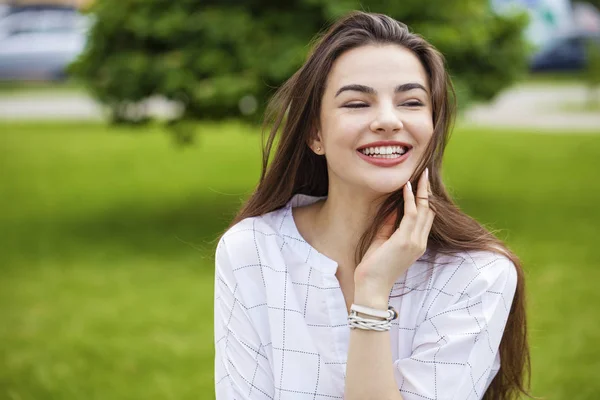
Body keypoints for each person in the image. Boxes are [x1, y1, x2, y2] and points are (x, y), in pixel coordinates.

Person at [213, 11, 530, 400]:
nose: (387, 120)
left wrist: (373, 292)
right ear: (315, 133)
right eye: (357, 103)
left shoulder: (477, 276)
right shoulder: (252, 249)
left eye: (411, 102)